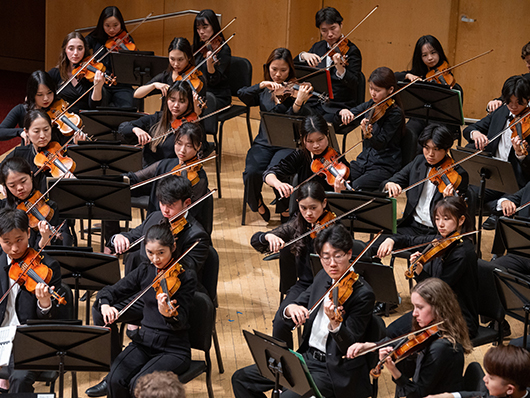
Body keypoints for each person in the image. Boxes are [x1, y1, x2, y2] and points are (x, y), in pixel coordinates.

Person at [232, 223, 376, 398]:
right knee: (241, 379)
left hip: (331, 370)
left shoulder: (363, 294)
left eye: (338, 256)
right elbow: (301, 300)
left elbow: (349, 346)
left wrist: (335, 324)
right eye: (325, 257)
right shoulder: (324, 275)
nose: (332, 264)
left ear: (349, 254)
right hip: (305, 358)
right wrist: (291, 308)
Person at [96, 221, 196, 398]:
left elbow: (183, 319)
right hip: (144, 342)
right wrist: (105, 304)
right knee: (113, 380)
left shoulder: (185, 276)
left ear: (173, 247)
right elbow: (110, 291)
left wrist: (169, 315)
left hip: (173, 348)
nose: (155, 259)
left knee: (138, 385)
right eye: (150, 253)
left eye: (161, 253)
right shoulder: (145, 270)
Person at [347, 278, 473, 398]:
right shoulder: (432, 332)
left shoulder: (441, 347)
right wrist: (371, 346)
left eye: (420, 307)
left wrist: (393, 370)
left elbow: (417, 394)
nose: (414, 313)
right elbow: (404, 343)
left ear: (439, 308)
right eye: (413, 307)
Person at [377, 196, 479, 338]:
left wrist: (420, 272)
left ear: (461, 220)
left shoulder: (463, 253)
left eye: (446, 219)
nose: (440, 224)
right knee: (389, 331)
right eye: (437, 219)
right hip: (435, 309)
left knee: (395, 334)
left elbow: (438, 293)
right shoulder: (440, 240)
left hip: (457, 319)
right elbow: (410, 240)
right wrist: (391, 240)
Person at [250, 181, 330, 347]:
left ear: (324, 203)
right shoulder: (298, 226)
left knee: (313, 326)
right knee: (280, 322)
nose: (308, 213)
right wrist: (267, 237)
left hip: (330, 286)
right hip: (305, 285)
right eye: (303, 208)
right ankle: (287, 366)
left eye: (313, 208)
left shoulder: (335, 227)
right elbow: (256, 240)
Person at [238, 47, 312, 221]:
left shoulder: (297, 92)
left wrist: (298, 102)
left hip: (287, 143)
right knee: (251, 172)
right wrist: (261, 84)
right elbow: (242, 94)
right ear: (267, 68)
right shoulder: (264, 91)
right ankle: (257, 202)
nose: (278, 75)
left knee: (278, 171)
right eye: (274, 69)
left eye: (283, 70)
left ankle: (284, 207)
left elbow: (294, 120)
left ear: (290, 70)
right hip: (264, 142)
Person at [0, 208, 61, 393]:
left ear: (28, 233)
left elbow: (56, 321)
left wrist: (44, 304)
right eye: (7, 242)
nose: (14, 249)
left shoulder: (48, 267)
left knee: (19, 378)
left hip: (28, 337)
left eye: (19, 240)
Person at [464, 75, 530, 229]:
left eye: (519, 103)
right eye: (509, 102)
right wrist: (476, 134)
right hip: (493, 176)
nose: (513, 107)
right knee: (468, 194)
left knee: (510, 205)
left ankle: (498, 209)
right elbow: (470, 129)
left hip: (517, 182)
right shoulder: (501, 112)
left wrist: (521, 155)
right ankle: (469, 240)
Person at [383, 124, 469, 237]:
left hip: (437, 232)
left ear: (447, 149)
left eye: (436, 149)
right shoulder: (419, 162)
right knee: (377, 243)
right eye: (426, 148)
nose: (430, 154)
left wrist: (449, 201)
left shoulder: (459, 175)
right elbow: (393, 180)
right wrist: (390, 184)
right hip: (411, 226)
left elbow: (460, 214)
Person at [126, 122, 210, 231]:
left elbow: (190, 214)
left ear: (198, 146)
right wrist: (116, 180)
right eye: (179, 143)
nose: (182, 150)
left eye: (188, 146)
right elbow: (135, 177)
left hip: (181, 231)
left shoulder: (199, 179)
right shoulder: (165, 164)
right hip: (154, 223)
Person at [337, 66, 405, 191]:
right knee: (339, 177)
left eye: (377, 90)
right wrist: (345, 111)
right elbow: (353, 113)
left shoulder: (395, 114)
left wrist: (369, 136)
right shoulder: (371, 104)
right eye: (371, 88)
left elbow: (381, 143)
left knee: (354, 187)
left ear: (390, 90)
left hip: (383, 166)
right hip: (364, 161)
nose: (372, 93)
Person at [264, 114, 349, 209]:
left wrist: (338, 192)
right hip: (305, 211)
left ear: (327, 135)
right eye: (310, 141)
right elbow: (268, 174)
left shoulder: (335, 157)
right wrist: (278, 184)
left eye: (320, 139)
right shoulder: (301, 155)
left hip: (329, 209)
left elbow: (347, 200)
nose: (316, 145)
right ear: (303, 139)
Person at [296, 7, 363, 121]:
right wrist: (303, 55)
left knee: (318, 124)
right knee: (295, 115)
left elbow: (354, 83)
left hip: (339, 105)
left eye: (333, 28)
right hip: (315, 102)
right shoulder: (318, 47)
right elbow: (294, 68)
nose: (330, 34)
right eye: (324, 30)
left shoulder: (352, 51)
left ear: (341, 25)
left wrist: (341, 70)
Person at [395, 35, 464, 143]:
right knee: (407, 134)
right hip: (420, 117)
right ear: (420, 57)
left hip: (441, 120)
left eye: (433, 53)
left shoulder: (447, 78)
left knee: (425, 139)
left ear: (439, 52)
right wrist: (407, 76)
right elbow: (392, 78)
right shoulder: (418, 74)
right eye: (425, 55)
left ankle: (421, 159)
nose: (430, 58)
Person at [120, 80, 202, 167]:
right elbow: (123, 127)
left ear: (189, 103)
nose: (176, 105)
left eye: (182, 101)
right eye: (172, 100)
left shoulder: (190, 124)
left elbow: (202, 147)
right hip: (150, 173)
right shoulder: (157, 118)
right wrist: (136, 129)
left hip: (175, 173)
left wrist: (196, 113)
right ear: (167, 100)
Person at [0, 157, 67, 248]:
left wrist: (45, 238)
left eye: (23, 181)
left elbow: (41, 251)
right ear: (6, 186)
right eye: (12, 185)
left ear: (31, 176)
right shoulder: (3, 207)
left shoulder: (49, 207)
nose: (19, 188)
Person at [424, 344, 530, 398]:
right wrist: (450, 396)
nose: (484, 378)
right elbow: (483, 395)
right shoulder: (508, 391)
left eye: (491, 378)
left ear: (510, 389)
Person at [85, 6, 136, 108]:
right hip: (101, 83)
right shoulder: (94, 38)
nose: (112, 30)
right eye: (107, 25)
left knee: (128, 107)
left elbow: (134, 61)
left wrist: (123, 48)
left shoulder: (126, 39)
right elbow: (81, 51)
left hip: (122, 85)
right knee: (97, 105)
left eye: (115, 25)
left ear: (121, 24)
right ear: (102, 25)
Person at [133, 37, 207, 106]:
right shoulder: (166, 76)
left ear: (189, 57)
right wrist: (154, 85)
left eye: (180, 60)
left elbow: (199, 112)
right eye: (172, 59)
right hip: (164, 118)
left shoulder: (198, 79)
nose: (175, 64)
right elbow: (136, 94)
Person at [0, 70, 66, 144]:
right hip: (30, 152)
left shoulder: (59, 106)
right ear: (32, 94)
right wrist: (20, 131)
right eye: (40, 94)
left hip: (57, 151)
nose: (46, 98)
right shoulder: (21, 110)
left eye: (49, 93)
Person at [48, 31, 104, 113]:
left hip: (83, 120)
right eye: (71, 48)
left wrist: (97, 87)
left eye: (80, 48)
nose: (75, 53)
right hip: (61, 120)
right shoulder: (55, 73)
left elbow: (94, 107)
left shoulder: (90, 75)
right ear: (65, 50)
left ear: (85, 50)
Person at [193, 9, 232, 109]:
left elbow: (214, 82)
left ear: (213, 26)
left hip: (218, 96)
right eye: (198, 28)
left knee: (203, 104)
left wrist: (210, 66)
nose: (201, 32)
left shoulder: (223, 50)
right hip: (200, 92)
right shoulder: (200, 47)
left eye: (205, 27)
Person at [486, 41, 530, 113]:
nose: (528, 65)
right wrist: (493, 103)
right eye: (527, 62)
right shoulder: (524, 81)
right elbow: (504, 99)